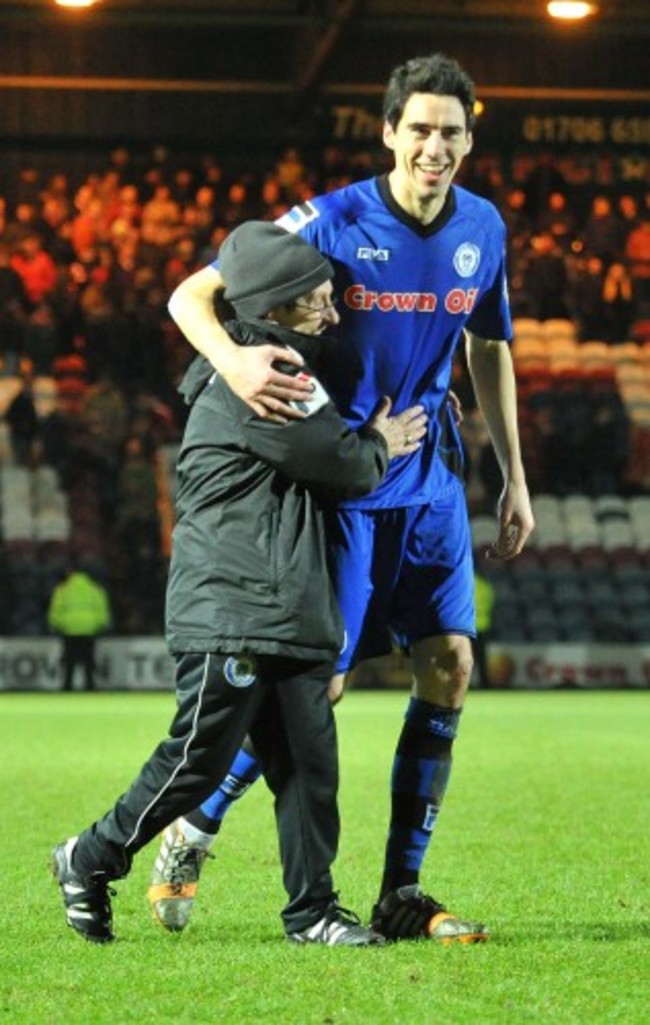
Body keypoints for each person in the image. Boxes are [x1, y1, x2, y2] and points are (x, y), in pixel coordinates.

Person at [158, 52, 535, 945]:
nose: (434, 146)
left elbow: (490, 347)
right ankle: (195, 821)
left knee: (449, 660)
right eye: (420, 129)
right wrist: (235, 358)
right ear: (389, 133)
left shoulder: (483, 226)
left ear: (470, 139)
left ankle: (401, 891)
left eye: (451, 131)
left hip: (432, 481)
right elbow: (190, 295)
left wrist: (514, 474)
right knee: (317, 688)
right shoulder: (331, 218)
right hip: (346, 481)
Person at [51, 221, 426, 946]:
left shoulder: (269, 362)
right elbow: (344, 466)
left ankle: (312, 910)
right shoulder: (268, 371)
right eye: (318, 300)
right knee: (197, 761)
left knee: (309, 770)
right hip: (235, 606)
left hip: (280, 606)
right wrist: (384, 441)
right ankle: (89, 855)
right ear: (279, 308)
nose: (332, 311)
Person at [47, 565, 112, 691]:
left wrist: (56, 624)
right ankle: (90, 686)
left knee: (69, 660)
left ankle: (67, 686)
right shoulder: (95, 589)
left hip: (69, 629)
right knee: (88, 660)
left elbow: (56, 609)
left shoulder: (62, 589)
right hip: (89, 629)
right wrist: (101, 624)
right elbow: (102, 609)